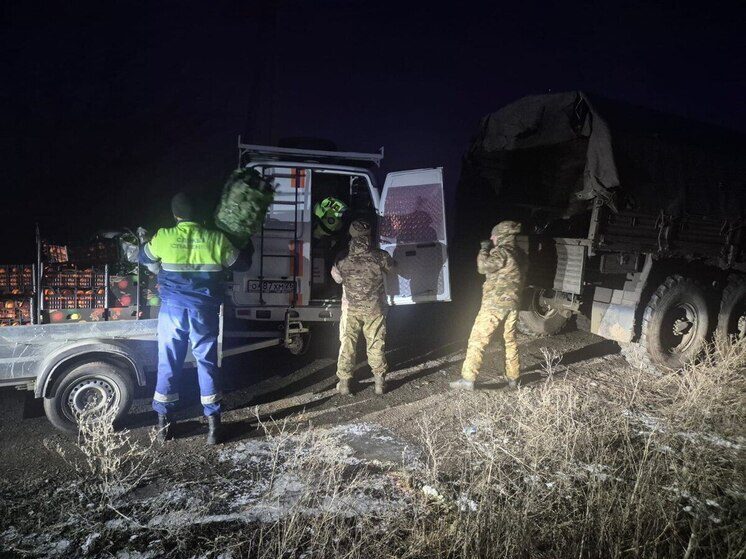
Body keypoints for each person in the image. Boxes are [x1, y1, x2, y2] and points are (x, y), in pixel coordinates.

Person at [140, 192, 248, 445]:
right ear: (201, 215)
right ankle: (213, 427)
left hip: (172, 310)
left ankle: (164, 426)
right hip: (204, 311)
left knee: (168, 362)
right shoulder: (215, 239)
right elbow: (240, 264)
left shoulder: (164, 236)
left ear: (175, 214)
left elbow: (142, 257)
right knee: (207, 362)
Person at [451, 220, 524, 391]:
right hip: (513, 303)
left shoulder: (502, 252)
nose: (492, 237)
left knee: (477, 339)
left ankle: (468, 379)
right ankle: (514, 379)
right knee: (510, 340)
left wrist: (484, 249)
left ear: (502, 236)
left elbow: (483, 267)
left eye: (494, 235)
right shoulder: (520, 254)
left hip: (495, 304)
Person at [331, 220, 396, 395]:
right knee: (376, 343)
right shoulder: (380, 256)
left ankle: (344, 384)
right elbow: (392, 270)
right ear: (369, 235)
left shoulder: (342, 257)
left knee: (347, 344)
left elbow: (336, 278)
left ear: (351, 235)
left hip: (350, 308)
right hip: (374, 308)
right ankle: (379, 383)